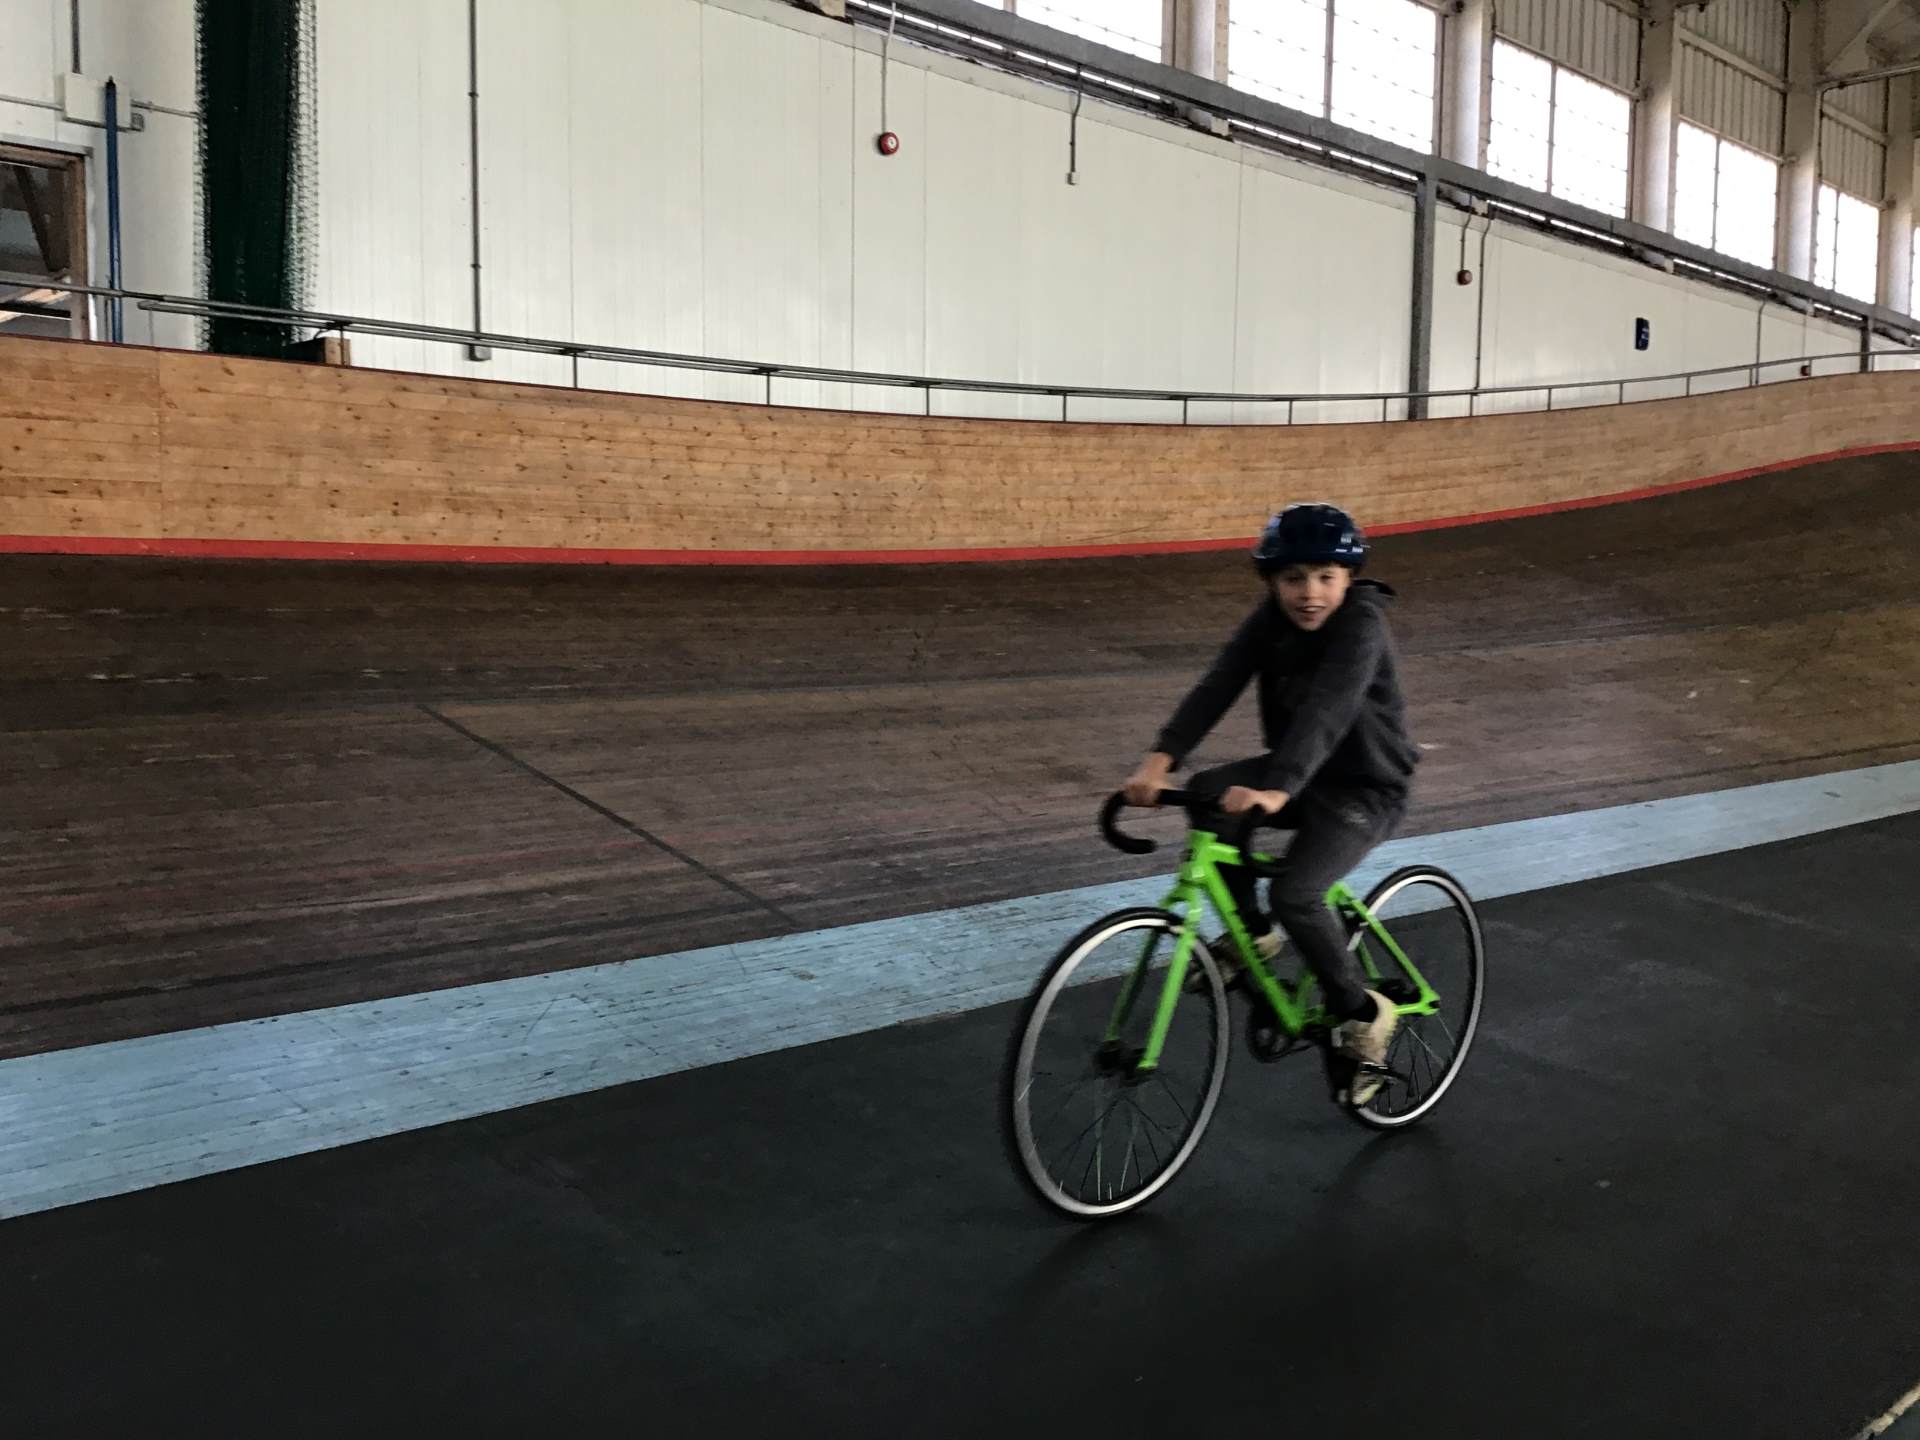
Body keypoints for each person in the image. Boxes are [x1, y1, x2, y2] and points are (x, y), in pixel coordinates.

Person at [1121, 502, 1419, 1106]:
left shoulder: (1361, 624)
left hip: (1364, 786)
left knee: (1297, 894)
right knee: (1208, 795)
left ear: (1350, 578)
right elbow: (1218, 684)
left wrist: (1279, 786)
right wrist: (1160, 759)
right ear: (1271, 581)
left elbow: (1329, 709)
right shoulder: (1270, 620)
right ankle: (1253, 934)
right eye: (1293, 579)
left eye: (1326, 577)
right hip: (1298, 775)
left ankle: (1362, 1013)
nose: (1309, 593)